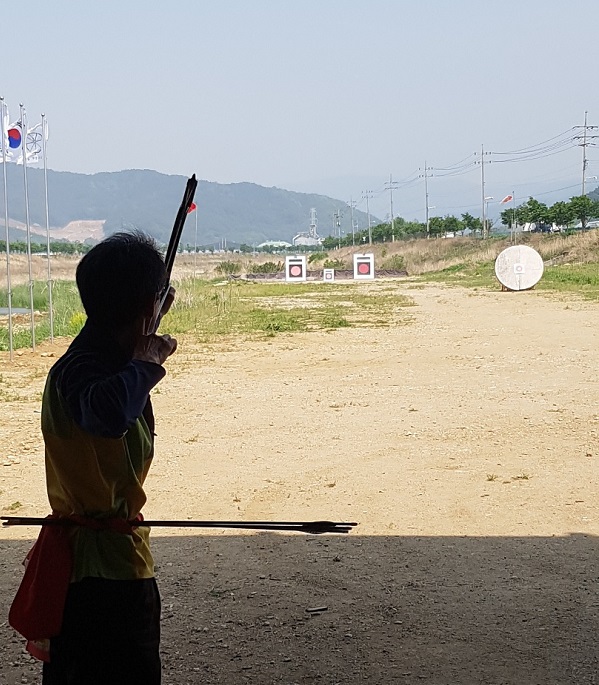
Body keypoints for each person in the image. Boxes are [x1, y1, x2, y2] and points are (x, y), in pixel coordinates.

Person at [35, 231, 177, 685]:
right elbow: (108, 413)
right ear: (144, 305)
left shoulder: (101, 358)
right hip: (101, 580)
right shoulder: (82, 368)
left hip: (97, 569)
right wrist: (147, 361)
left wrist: (148, 320)